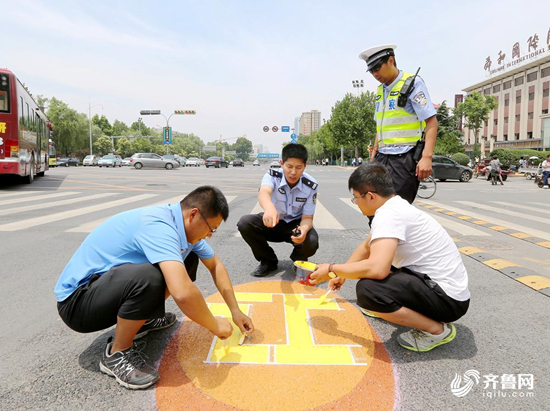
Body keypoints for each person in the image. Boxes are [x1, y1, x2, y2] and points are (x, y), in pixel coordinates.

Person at [54, 186, 254, 389]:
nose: (210, 235)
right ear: (193, 214)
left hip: (106, 290)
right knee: (150, 277)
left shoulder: (184, 230)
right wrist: (214, 324)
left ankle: (143, 319)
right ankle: (117, 353)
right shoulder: (160, 226)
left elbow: (216, 265)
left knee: (186, 259)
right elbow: (182, 292)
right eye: (211, 228)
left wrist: (235, 311)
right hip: (78, 303)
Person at [309, 163, 470, 352]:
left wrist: (330, 268)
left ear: (370, 196)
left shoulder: (388, 215)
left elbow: (378, 269)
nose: (356, 203)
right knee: (368, 270)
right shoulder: (395, 206)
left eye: (355, 198)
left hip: (448, 299)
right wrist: (342, 274)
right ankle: (392, 307)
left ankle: (437, 330)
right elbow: (366, 248)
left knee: (369, 291)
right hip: (444, 290)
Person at [359, 44, 438, 204]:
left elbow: (431, 121)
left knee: (397, 211)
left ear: (391, 60)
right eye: (372, 71)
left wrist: (426, 158)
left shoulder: (412, 84)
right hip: (382, 158)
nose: (375, 74)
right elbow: (380, 127)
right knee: (373, 207)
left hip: (403, 158)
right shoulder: (380, 90)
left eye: (377, 68)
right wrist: (373, 157)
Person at [237, 144, 319, 277]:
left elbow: (308, 219)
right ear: (281, 163)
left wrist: (303, 231)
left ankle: (298, 261)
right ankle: (268, 261)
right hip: (273, 221)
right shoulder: (272, 175)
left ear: (305, 166)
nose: (293, 172)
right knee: (245, 223)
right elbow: (264, 192)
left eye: (298, 167)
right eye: (289, 167)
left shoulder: (311, 185)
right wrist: (269, 209)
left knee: (311, 241)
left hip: (294, 226)